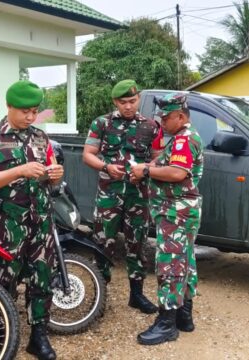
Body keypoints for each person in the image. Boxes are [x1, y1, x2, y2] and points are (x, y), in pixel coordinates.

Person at [0, 80, 64, 360]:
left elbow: (49, 171)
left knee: (42, 279)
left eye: (34, 111)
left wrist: (55, 175)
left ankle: (38, 337)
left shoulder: (41, 138)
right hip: (8, 223)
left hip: (41, 221)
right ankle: (1, 334)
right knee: (3, 280)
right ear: (9, 106)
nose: (30, 117)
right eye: (24, 111)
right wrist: (20, 170)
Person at [82, 79, 164, 314]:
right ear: (115, 102)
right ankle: (100, 296)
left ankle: (136, 295)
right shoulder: (102, 124)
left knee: (137, 244)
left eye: (132, 101)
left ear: (138, 99)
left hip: (138, 195)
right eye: (123, 102)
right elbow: (88, 154)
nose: (128, 106)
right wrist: (106, 167)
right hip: (109, 194)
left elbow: (158, 157)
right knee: (103, 243)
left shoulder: (151, 126)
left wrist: (146, 169)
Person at [131, 92, 204, 345]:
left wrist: (146, 170)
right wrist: (145, 173)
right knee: (185, 261)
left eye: (166, 117)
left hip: (175, 212)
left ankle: (166, 323)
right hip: (181, 210)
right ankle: (184, 316)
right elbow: (168, 166)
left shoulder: (184, 140)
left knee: (170, 264)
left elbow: (176, 172)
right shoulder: (181, 138)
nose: (161, 121)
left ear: (181, 116)